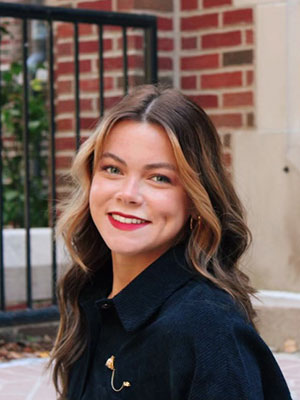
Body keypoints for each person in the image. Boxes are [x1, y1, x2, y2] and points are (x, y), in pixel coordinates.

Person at [50, 85, 292, 400]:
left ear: (194, 199)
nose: (128, 194)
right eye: (113, 169)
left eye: (159, 177)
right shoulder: (90, 293)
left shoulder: (206, 329)